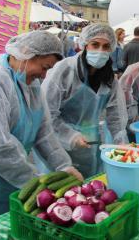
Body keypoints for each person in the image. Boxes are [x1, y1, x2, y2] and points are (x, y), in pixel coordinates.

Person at [0, 31, 82, 240]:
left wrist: (62, 165)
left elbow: (43, 132)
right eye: (44, 67)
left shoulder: (31, 84)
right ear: (27, 54)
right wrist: (37, 183)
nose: (44, 75)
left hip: (11, 169)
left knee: (5, 230)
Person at [41, 24, 128, 178]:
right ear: (84, 45)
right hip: (57, 143)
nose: (100, 50)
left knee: (87, 188)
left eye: (106, 46)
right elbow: (46, 113)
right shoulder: (64, 70)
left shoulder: (109, 78)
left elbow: (116, 115)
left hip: (90, 142)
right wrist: (70, 136)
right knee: (60, 189)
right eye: (95, 44)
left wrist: (120, 141)